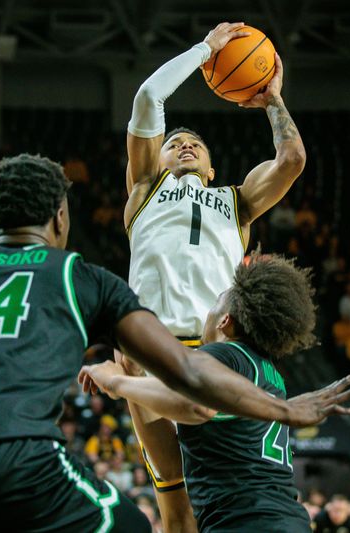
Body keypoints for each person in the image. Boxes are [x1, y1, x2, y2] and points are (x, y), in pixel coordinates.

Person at [0, 154, 350, 532]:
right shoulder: (78, 277)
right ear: (60, 217)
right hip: (17, 460)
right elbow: (191, 379)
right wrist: (282, 409)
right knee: (126, 524)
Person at [123, 21, 307, 529]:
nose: (184, 145)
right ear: (156, 158)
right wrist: (206, 50)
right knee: (176, 506)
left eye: (195, 145)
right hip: (152, 347)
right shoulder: (144, 190)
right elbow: (148, 96)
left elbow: (291, 159)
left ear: (210, 167)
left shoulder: (237, 202)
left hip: (219, 353)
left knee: (232, 490)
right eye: (174, 142)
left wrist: (272, 99)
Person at [79, 253, 350, 532]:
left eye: (213, 305)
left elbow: (196, 406)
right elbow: (174, 462)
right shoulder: (268, 374)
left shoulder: (226, 354)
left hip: (249, 524)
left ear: (225, 321)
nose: (206, 314)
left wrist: (115, 382)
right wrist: (133, 380)